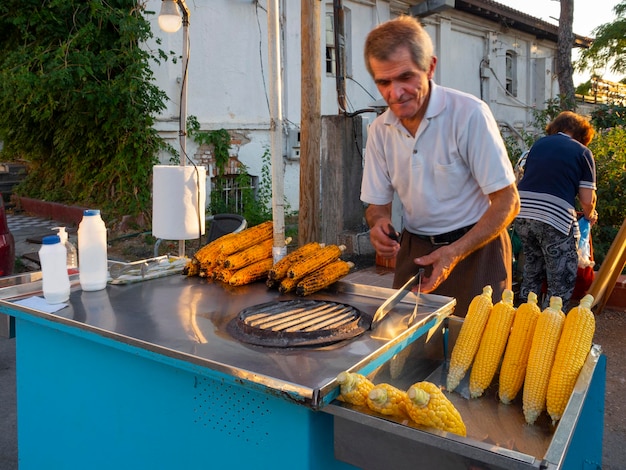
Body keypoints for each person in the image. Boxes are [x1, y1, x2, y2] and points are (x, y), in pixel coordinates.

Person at [360, 16, 520, 317]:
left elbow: (508, 202)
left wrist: (454, 252)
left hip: (477, 249)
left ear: (430, 67)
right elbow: (376, 205)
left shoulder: (469, 114)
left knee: (480, 353)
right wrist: (378, 224)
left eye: (406, 77)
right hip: (415, 251)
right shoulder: (380, 130)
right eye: (384, 82)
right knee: (408, 353)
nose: (395, 93)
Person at [514, 111, 598, 310]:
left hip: (523, 214)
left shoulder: (539, 145)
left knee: (532, 271)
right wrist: (590, 215)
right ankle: (550, 327)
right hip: (554, 217)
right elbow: (587, 199)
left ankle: (524, 323)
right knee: (560, 279)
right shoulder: (582, 152)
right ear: (582, 134)